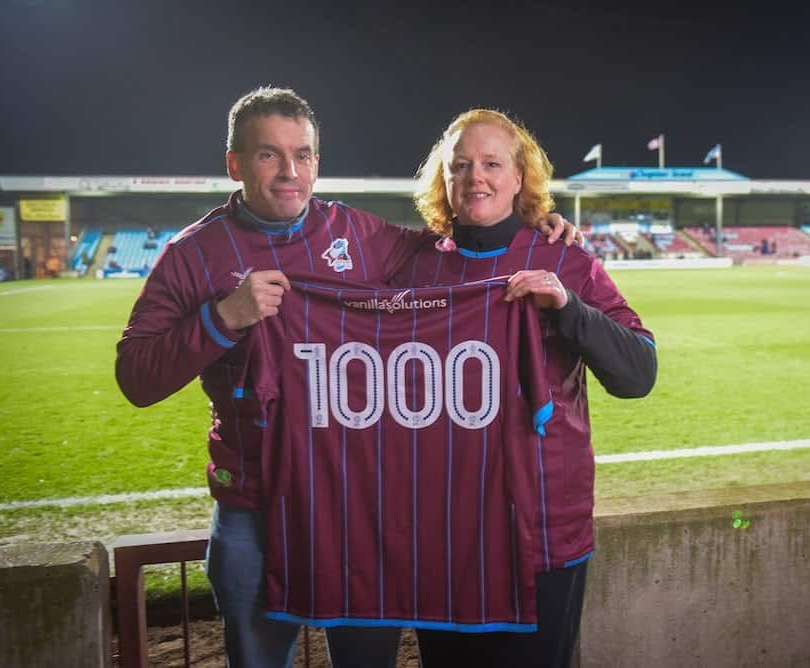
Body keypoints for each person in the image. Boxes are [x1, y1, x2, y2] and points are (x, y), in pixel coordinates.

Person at [115, 87, 579, 668]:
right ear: (233, 163)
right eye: (268, 154)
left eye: (303, 154)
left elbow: (463, 248)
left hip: (351, 505)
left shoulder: (358, 234)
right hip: (255, 510)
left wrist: (536, 224)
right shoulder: (192, 254)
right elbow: (136, 376)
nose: (290, 171)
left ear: (317, 161)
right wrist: (222, 318)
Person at [393, 109, 657, 668]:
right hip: (441, 534)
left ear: (520, 177)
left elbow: (638, 374)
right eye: (459, 165)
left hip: (543, 532)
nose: (475, 178)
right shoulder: (409, 268)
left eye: (492, 163)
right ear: (442, 180)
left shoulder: (568, 261)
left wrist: (568, 309)